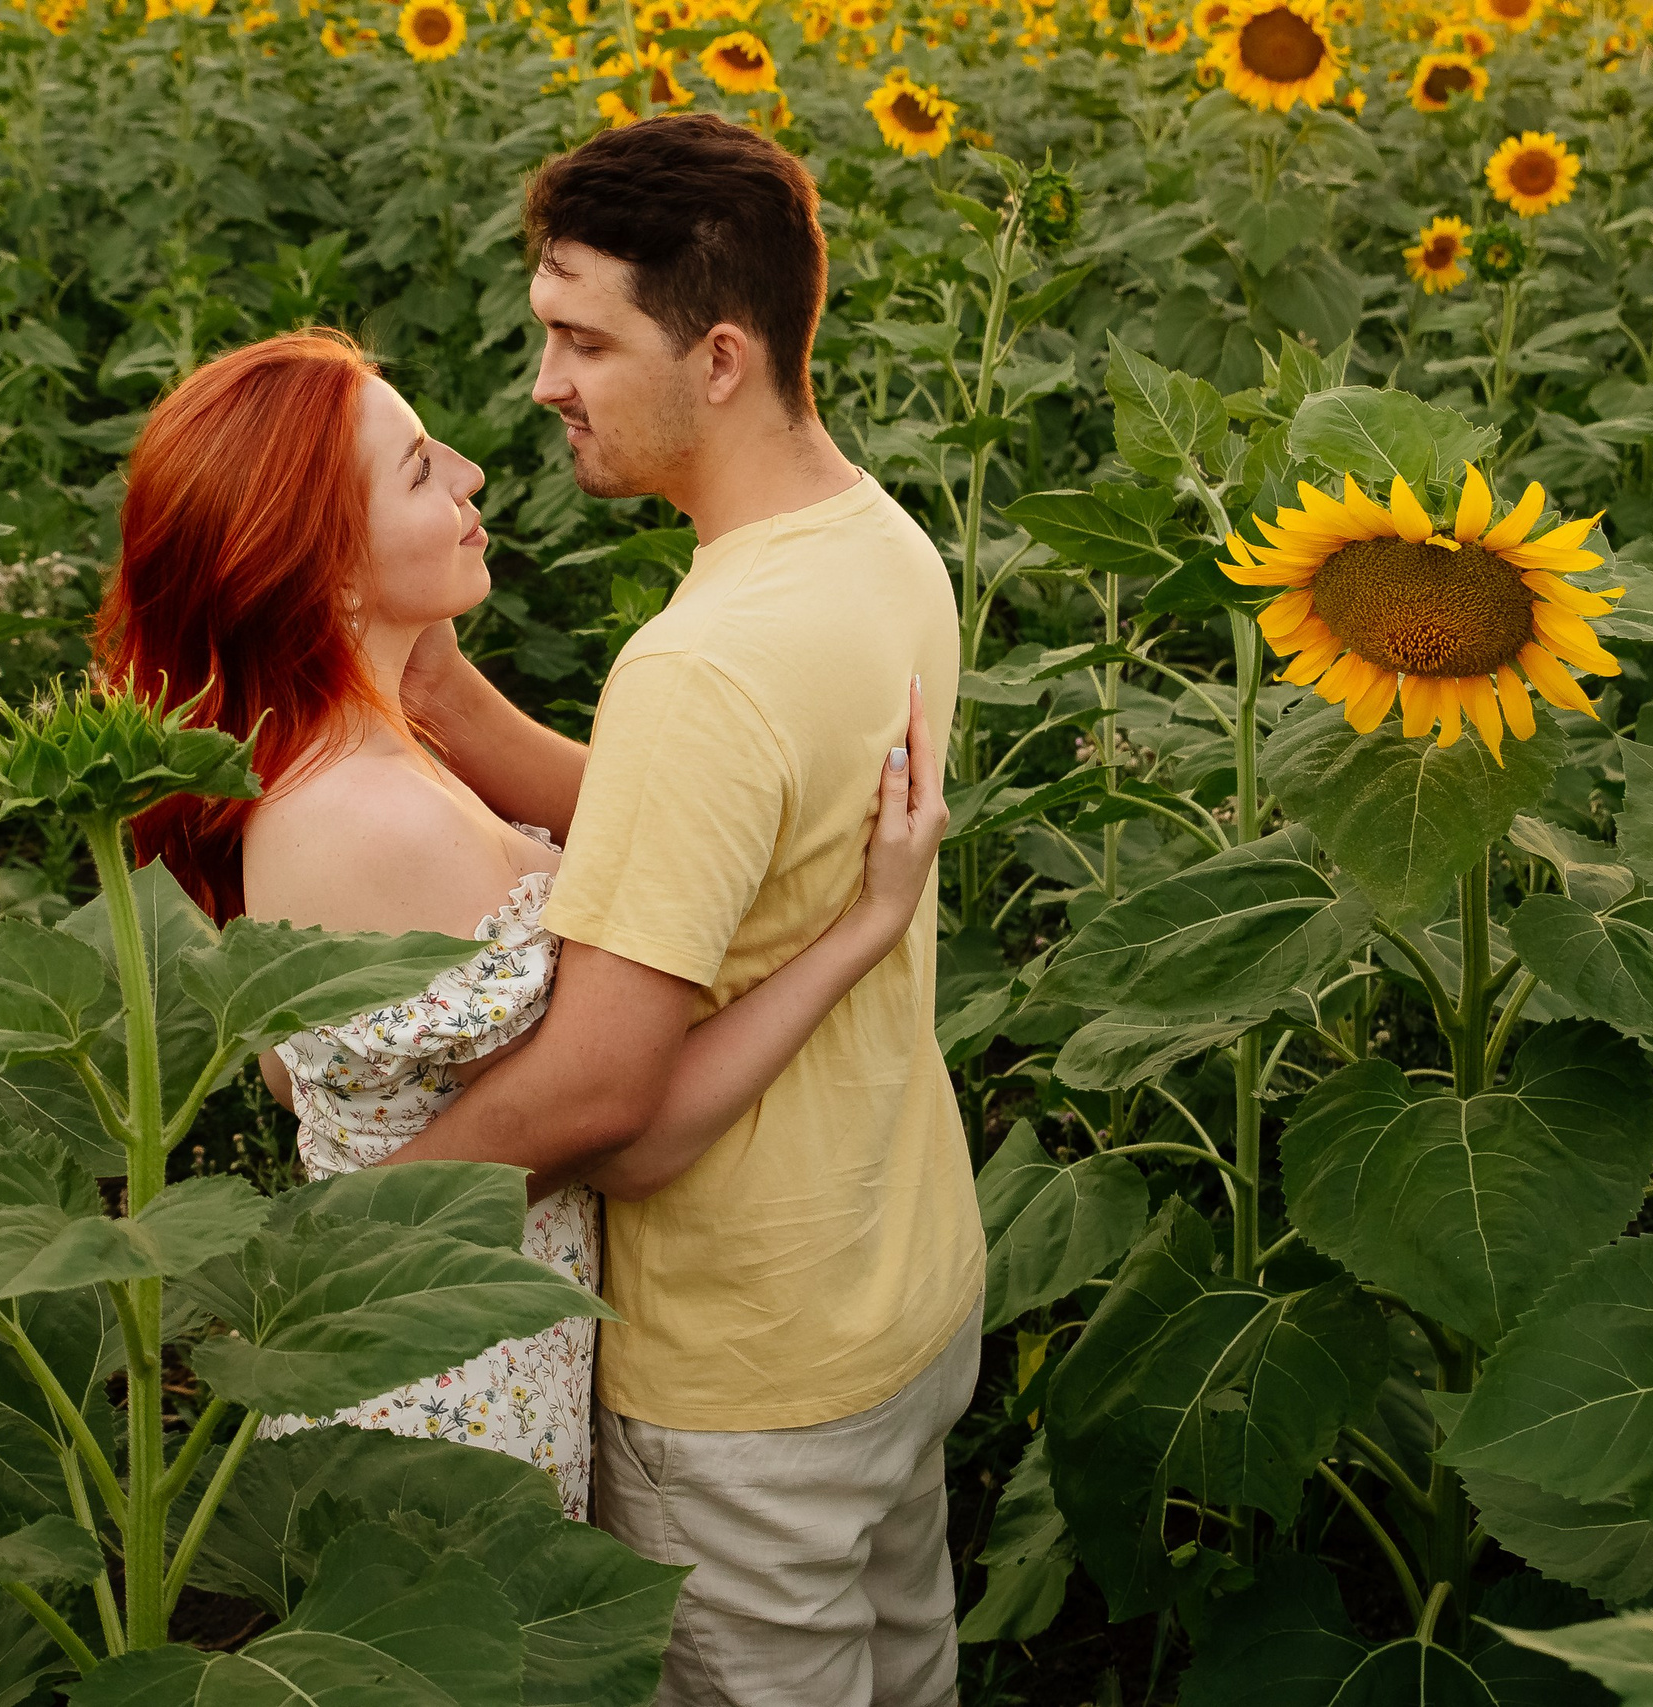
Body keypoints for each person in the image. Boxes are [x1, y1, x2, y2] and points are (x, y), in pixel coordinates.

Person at [91, 327, 948, 1530]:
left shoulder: (346, 752)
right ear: (329, 571)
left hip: (459, 1350)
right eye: (416, 471)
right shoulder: (367, 816)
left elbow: (305, 1083)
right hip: (448, 1400)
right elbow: (626, 1129)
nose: (470, 473)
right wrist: (864, 924)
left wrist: (433, 681)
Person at [373, 113, 986, 1707]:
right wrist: (457, 708)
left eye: (582, 337)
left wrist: (338, 1231)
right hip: (899, 1294)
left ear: (717, 356)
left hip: (744, 1379)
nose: (542, 383)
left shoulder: (704, 665)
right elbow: (732, 829)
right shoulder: (874, 546)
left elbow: (608, 1103)